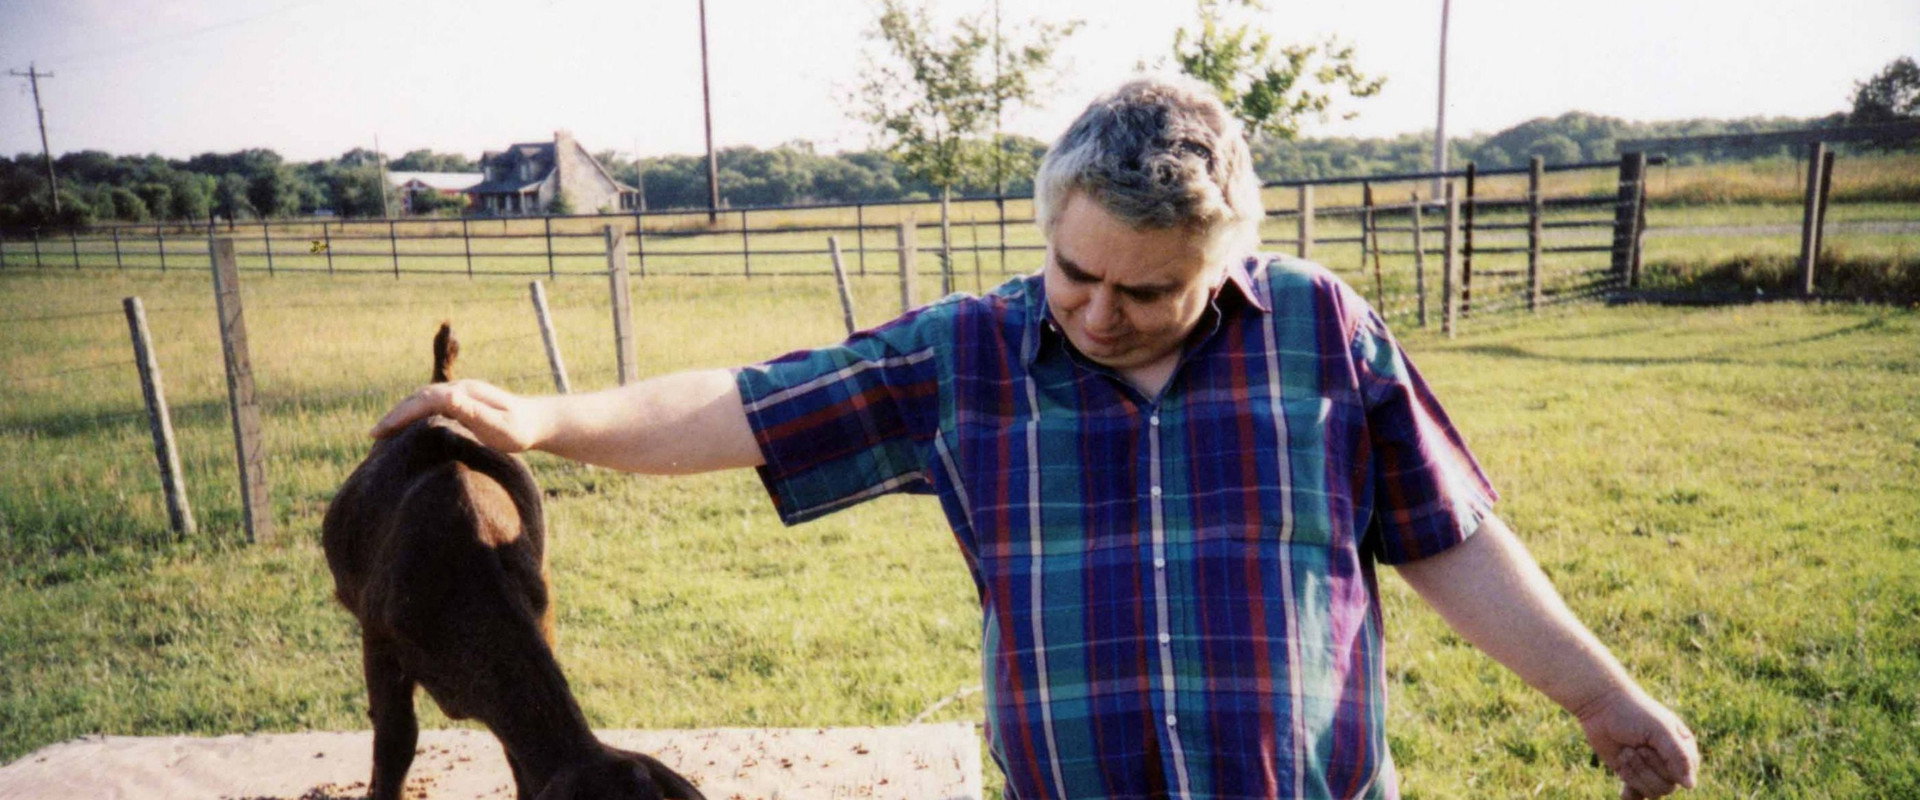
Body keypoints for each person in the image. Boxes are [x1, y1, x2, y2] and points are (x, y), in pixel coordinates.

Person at [372, 75, 1700, 800]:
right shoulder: (969, 354)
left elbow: (1445, 536)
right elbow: (745, 406)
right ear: (1048, 222)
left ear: (1225, 259)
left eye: (1147, 290)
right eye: (1077, 272)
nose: (1101, 313)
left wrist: (1598, 695)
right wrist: (545, 418)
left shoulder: (1321, 333)